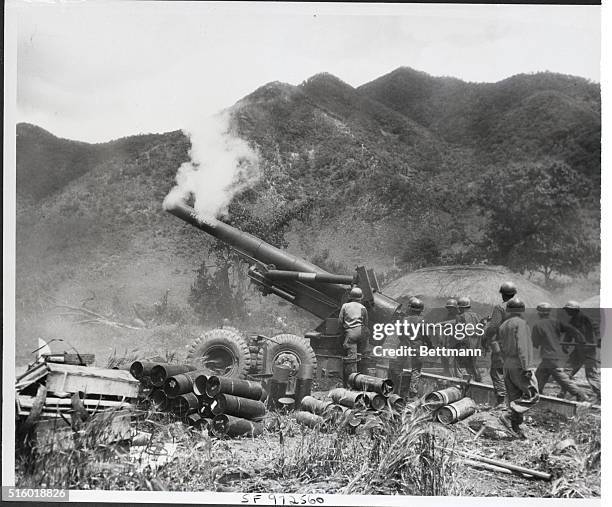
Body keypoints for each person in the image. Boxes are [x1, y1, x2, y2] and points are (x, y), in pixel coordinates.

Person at [497, 297, 539, 440]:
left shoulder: (503, 325)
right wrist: (526, 367)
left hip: (507, 364)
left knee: (514, 396)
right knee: (532, 394)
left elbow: (501, 347)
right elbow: (522, 346)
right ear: (522, 310)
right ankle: (509, 415)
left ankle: (516, 430)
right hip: (519, 364)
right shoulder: (520, 323)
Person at [531, 302, 588, 401]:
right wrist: (581, 339)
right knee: (540, 374)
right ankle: (536, 393)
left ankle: (580, 394)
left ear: (540, 313)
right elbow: (572, 330)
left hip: (549, 355)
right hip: (555, 355)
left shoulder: (538, 325)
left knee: (561, 378)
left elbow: (535, 343)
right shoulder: (556, 322)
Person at [483, 281, 516, 405]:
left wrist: (486, 337)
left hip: (502, 344)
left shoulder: (500, 307)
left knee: (497, 372)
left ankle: (501, 402)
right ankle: (512, 401)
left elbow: (493, 327)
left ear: (502, 294)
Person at [561, 301, 601, 401]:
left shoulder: (585, 318)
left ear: (574, 310)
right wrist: (565, 344)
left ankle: (601, 395)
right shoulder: (572, 320)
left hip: (589, 350)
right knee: (567, 372)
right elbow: (570, 333)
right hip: (578, 350)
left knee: (591, 374)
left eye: (568, 310)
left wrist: (599, 339)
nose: (567, 312)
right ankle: (562, 392)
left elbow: (596, 327)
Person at [338, 287, 369, 387]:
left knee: (351, 359)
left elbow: (340, 321)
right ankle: (362, 382)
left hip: (351, 334)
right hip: (362, 332)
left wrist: (343, 333)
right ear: (360, 298)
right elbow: (366, 323)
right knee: (362, 356)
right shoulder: (363, 308)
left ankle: (350, 384)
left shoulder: (345, 306)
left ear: (350, 297)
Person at [453, 296, 483, 381]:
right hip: (475, 344)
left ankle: (466, 383)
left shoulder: (460, 316)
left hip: (465, 344)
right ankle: (478, 380)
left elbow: (459, 332)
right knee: (473, 363)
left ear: (461, 307)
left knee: (462, 365)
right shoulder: (477, 316)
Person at [440, 298, 459, 376]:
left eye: (451, 308)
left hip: (456, 342)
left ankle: (454, 378)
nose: (449, 310)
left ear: (455, 308)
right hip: (447, 341)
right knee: (445, 360)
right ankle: (447, 376)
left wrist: (440, 323)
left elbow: (454, 323)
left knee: (453, 362)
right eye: (448, 308)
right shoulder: (447, 317)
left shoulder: (459, 317)